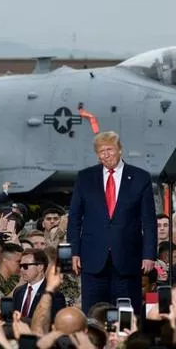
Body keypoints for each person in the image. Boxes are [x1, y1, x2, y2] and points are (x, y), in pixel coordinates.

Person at [66, 130, 156, 312]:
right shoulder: (85, 177)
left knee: (127, 315)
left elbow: (149, 220)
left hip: (127, 260)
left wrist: (148, 255)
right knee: (93, 315)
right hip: (92, 260)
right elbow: (74, 218)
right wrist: (73, 252)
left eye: (110, 149)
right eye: (101, 151)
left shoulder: (140, 177)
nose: (106, 154)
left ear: (120, 149)